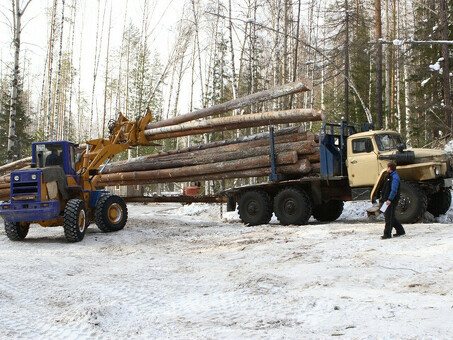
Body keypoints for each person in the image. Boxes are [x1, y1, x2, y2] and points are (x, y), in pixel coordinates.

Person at [380, 161, 406, 239]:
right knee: (390, 216)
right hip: (387, 200)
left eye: (387, 167)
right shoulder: (390, 176)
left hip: (390, 200)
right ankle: (400, 231)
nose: (386, 168)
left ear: (390, 168)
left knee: (389, 217)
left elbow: (394, 190)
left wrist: (389, 199)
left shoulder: (394, 177)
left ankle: (387, 234)